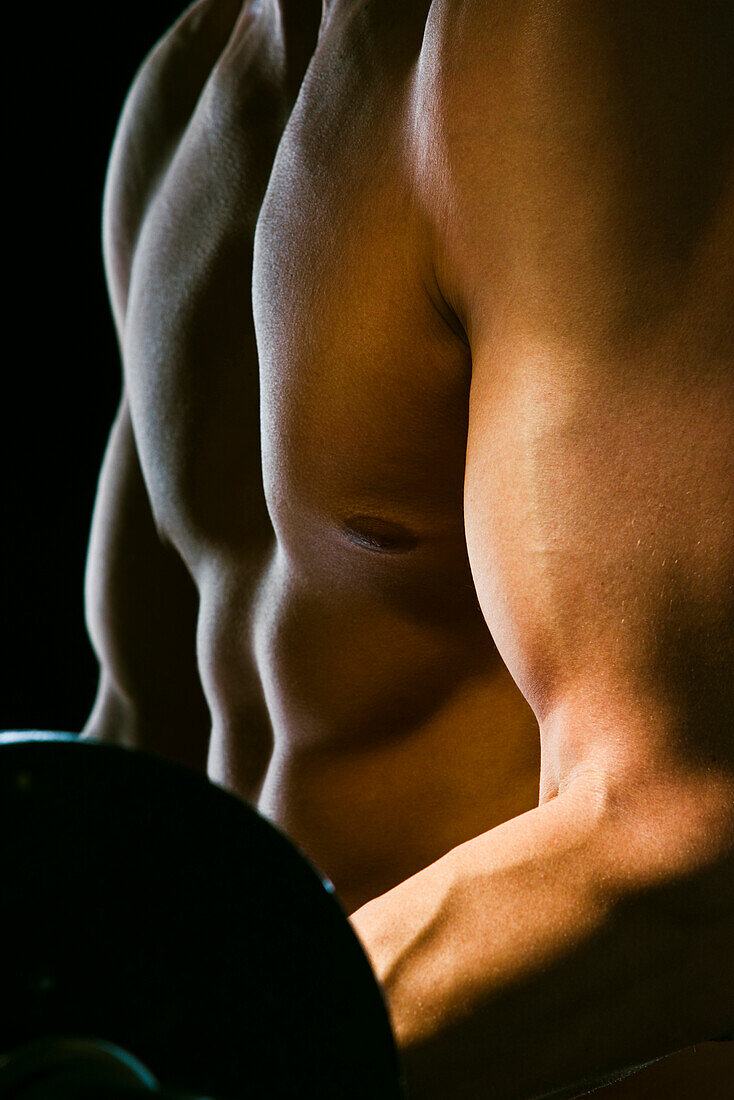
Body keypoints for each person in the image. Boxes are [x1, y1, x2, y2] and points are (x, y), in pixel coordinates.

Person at [82, 1, 733, 1095]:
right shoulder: (196, 76)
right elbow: (140, 756)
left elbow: (683, 833)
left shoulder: (575, 42)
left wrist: (183, 1070)